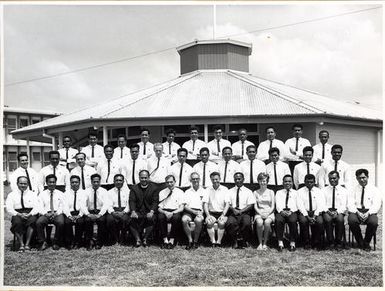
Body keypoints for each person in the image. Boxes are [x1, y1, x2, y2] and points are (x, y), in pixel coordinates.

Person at [348, 169, 382, 251]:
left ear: (368, 177)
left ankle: (366, 242)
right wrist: (357, 212)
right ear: (356, 178)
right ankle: (360, 241)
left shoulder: (374, 190)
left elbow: (377, 204)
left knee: (373, 222)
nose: (362, 180)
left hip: (370, 211)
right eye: (359, 178)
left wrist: (368, 213)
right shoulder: (353, 189)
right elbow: (350, 203)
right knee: (352, 220)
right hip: (356, 211)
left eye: (364, 177)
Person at [6, 176, 40, 251]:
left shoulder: (33, 194)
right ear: (17, 184)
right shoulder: (11, 195)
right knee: (17, 222)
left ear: (28, 184)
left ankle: (27, 244)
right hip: (17, 213)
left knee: (32, 221)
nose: (23, 185)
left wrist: (30, 214)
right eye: (21, 183)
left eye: (25, 183)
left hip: (30, 213)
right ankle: (21, 244)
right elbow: (9, 208)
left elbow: (37, 207)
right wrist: (19, 214)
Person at [129, 170, 159, 247]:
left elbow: (155, 202)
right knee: (131, 219)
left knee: (152, 218)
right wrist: (133, 211)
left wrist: (152, 212)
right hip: (138, 211)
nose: (144, 179)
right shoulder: (134, 188)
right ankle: (138, 239)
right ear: (139, 178)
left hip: (149, 211)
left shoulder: (154, 188)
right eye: (142, 178)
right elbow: (132, 201)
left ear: (149, 178)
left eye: (145, 178)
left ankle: (145, 238)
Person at [35, 174, 66, 251]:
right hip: (46, 213)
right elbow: (40, 206)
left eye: (53, 182)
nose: (52, 184)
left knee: (61, 222)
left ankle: (56, 242)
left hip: (57, 213)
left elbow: (62, 206)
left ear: (56, 183)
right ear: (46, 183)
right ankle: (43, 242)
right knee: (39, 222)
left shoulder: (61, 194)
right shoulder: (42, 194)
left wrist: (56, 213)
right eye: (50, 182)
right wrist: (46, 214)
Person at [226, 172, 256, 249]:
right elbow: (227, 203)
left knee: (246, 223)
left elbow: (251, 205)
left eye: (239, 179)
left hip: (245, 212)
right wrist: (233, 209)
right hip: (233, 212)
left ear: (243, 179)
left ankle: (244, 240)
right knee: (230, 223)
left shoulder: (248, 191)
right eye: (236, 179)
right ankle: (234, 241)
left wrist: (241, 211)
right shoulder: (229, 191)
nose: (237, 180)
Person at [297, 174, 325, 250]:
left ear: (314, 182)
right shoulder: (299, 191)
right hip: (304, 212)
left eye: (311, 182)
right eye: (307, 182)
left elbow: (321, 204)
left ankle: (316, 242)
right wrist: (307, 216)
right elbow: (300, 206)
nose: (309, 184)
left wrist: (315, 216)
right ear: (304, 182)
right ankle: (306, 242)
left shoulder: (319, 191)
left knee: (319, 222)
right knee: (303, 221)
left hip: (316, 212)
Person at [82, 173, 110, 250]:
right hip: (90, 212)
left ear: (100, 182)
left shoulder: (104, 191)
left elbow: (106, 204)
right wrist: (88, 214)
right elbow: (83, 205)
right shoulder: (86, 191)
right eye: (94, 182)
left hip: (100, 212)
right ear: (91, 182)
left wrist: (100, 214)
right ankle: (89, 242)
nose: (96, 183)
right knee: (87, 221)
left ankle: (99, 242)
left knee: (102, 221)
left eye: (97, 182)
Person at [322, 171, 348, 250]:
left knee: (340, 219)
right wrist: (328, 211)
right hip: (327, 211)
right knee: (327, 219)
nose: (332, 180)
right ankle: (330, 241)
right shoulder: (324, 190)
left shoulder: (344, 190)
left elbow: (344, 205)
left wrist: (337, 212)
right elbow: (322, 203)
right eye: (330, 178)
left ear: (339, 178)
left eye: (334, 178)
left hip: (339, 211)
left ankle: (338, 241)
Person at [203, 172, 230, 247]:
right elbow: (205, 203)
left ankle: (219, 241)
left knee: (221, 223)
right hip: (211, 213)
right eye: (213, 179)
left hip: (222, 212)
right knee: (209, 223)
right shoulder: (208, 189)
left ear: (220, 179)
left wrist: (223, 214)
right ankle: (213, 241)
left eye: (216, 179)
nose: (215, 181)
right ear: (210, 180)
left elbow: (227, 203)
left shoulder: (225, 189)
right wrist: (208, 215)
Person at [158, 175, 185, 249]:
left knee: (176, 218)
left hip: (176, 210)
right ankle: (165, 240)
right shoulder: (162, 192)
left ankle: (172, 240)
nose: (169, 184)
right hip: (165, 210)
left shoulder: (180, 192)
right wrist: (165, 212)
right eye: (167, 182)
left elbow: (181, 208)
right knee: (160, 217)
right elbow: (159, 208)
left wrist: (173, 213)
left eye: (171, 182)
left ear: (175, 182)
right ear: (165, 183)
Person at [182, 172, 206, 250]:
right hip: (189, 211)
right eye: (193, 179)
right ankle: (190, 240)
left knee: (198, 220)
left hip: (199, 211)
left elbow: (205, 204)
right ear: (190, 180)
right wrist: (192, 211)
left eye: (197, 179)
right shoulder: (187, 191)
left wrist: (201, 212)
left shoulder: (204, 191)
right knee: (184, 220)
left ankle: (196, 241)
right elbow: (185, 206)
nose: (195, 180)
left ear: (199, 179)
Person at [275, 175, 299, 252]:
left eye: (289, 181)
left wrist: (291, 211)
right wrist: (281, 211)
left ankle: (292, 242)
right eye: (285, 181)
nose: (287, 183)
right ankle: (280, 243)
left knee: (292, 221)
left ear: (292, 182)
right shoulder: (279, 192)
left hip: (292, 211)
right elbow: (277, 204)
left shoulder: (296, 193)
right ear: (283, 182)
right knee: (278, 220)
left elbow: (298, 204)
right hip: (281, 211)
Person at [63, 175, 87, 249]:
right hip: (70, 213)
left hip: (80, 213)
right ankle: (69, 241)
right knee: (67, 222)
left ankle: (78, 241)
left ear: (79, 183)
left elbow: (84, 206)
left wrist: (79, 215)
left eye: (76, 182)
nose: (74, 184)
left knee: (80, 222)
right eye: (72, 182)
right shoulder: (66, 193)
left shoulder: (84, 193)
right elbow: (65, 206)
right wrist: (69, 216)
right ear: (70, 183)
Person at [106, 174, 130, 245]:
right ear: (113, 181)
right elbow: (108, 204)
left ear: (123, 181)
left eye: (120, 180)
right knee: (110, 220)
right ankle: (115, 238)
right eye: (116, 180)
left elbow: (129, 204)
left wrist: (124, 212)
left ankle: (123, 238)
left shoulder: (128, 192)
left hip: (124, 211)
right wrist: (113, 212)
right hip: (113, 211)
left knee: (125, 219)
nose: (118, 182)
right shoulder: (109, 192)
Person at [254, 172, 275, 250]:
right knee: (259, 222)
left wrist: (268, 213)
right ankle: (260, 243)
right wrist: (260, 213)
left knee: (267, 222)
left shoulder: (271, 192)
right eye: (261, 181)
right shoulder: (255, 192)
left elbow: (273, 206)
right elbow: (255, 206)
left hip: (269, 212)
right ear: (258, 181)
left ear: (267, 182)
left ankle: (265, 243)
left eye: (264, 181)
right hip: (259, 212)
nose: (262, 183)